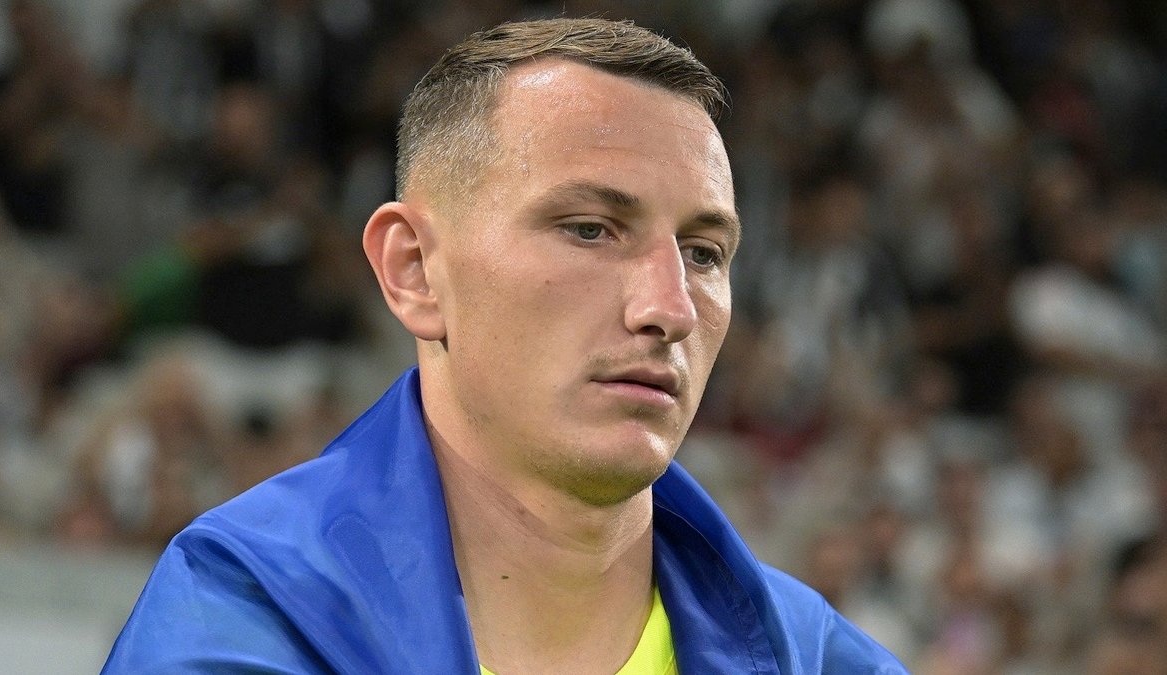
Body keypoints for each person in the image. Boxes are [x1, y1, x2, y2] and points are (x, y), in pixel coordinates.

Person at [104, 18, 907, 674]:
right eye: (590, 229)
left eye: (703, 253)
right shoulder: (240, 620)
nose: (670, 309)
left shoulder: (826, 661)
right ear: (415, 270)